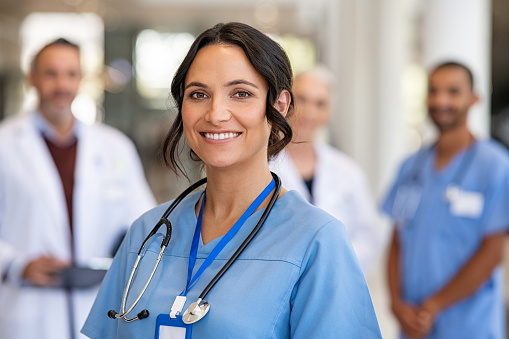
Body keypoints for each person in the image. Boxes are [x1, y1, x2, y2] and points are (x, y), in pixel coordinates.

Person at [81, 22, 382, 338]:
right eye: (198, 94)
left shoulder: (316, 241)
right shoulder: (148, 233)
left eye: (241, 94)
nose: (216, 113)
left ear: (278, 106)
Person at [0, 38, 156, 339]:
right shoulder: (4, 144)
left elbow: (144, 220)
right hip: (27, 310)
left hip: (97, 304)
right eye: (51, 73)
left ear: (81, 79)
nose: (62, 84)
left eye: (71, 74)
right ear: (31, 79)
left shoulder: (115, 147)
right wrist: (16, 264)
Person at [381, 61, 509, 338]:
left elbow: (492, 253)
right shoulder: (411, 166)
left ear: (474, 99)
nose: (441, 100)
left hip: (469, 326)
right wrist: (395, 305)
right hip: (413, 326)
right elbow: (396, 241)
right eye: (434, 91)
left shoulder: (495, 166)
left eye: (453, 92)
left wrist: (431, 308)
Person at [269, 65, 382, 276]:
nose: (310, 111)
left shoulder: (347, 171)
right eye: (302, 99)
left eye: (320, 104)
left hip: (337, 279)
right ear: (284, 102)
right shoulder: (263, 167)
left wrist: (336, 266)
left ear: (329, 111)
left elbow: (369, 236)